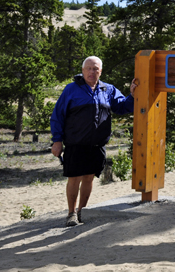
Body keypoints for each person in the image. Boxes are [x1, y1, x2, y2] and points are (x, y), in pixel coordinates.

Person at [50, 56, 137, 227]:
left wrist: (133, 95)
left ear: (100, 71)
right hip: (75, 143)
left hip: (97, 145)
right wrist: (57, 140)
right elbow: (57, 116)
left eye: (95, 68)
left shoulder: (108, 90)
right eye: (88, 68)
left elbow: (123, 107)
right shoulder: (71, 89)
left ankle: (82, 211)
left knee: (89, 178)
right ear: (82, 71)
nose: (92, 71)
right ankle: (71, 214)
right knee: (74, 178)